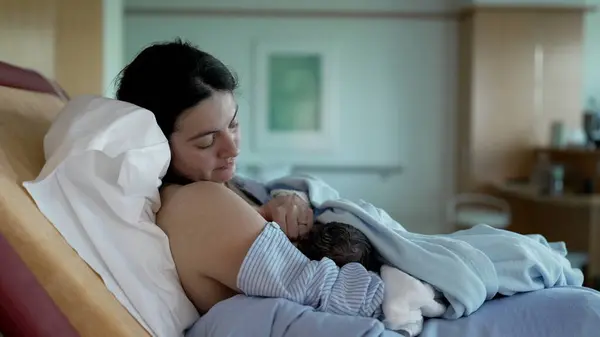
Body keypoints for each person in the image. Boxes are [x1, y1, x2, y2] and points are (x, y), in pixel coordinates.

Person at [115, 39, 384, 318]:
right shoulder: (196, 204)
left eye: (233, 124)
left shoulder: (227, 186)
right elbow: (343, 298)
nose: (232, 149)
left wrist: (287, 201)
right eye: (207, 141)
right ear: (158, 144)